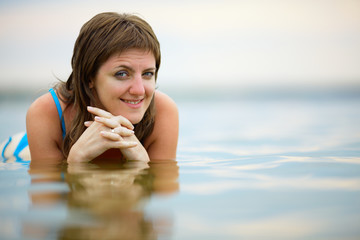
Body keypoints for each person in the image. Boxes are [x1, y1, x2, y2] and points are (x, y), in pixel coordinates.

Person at [25, 12, 178, 163]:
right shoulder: (47, 112)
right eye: (122, 74)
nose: (139, 90)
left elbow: (162, 185)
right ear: (89, 76)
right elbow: (48, 186)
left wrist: (142, 163)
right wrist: (76, 159)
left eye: (148, 73)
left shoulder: (163, 111)